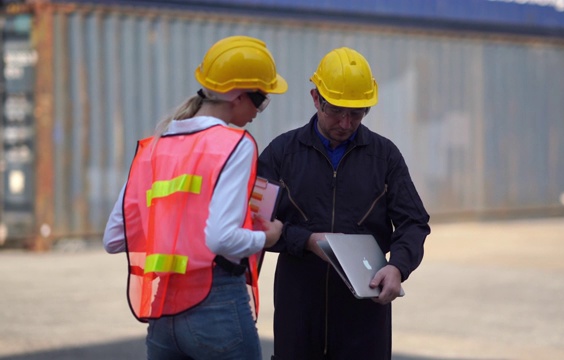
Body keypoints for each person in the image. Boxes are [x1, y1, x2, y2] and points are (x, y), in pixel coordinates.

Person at [103, 35, 287, 360]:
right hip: (217, 306)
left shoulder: (156, 145)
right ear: (237, 95)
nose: (260, 109)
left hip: (163, 313)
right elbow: (222, 238)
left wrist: (175, 231)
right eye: (261, 99)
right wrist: (266, 236)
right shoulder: (235, 143)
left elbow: (115, 238)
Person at [257, 47, 431, 360]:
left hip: (364, 316)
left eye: (357, 112)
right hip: (298, 310)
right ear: (315, 98)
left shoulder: (385, 157)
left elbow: (414, 222)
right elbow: (254, 223)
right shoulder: (281, 155)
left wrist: (398, 266)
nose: (346, 122)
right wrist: (305, 241)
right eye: (336, 110)